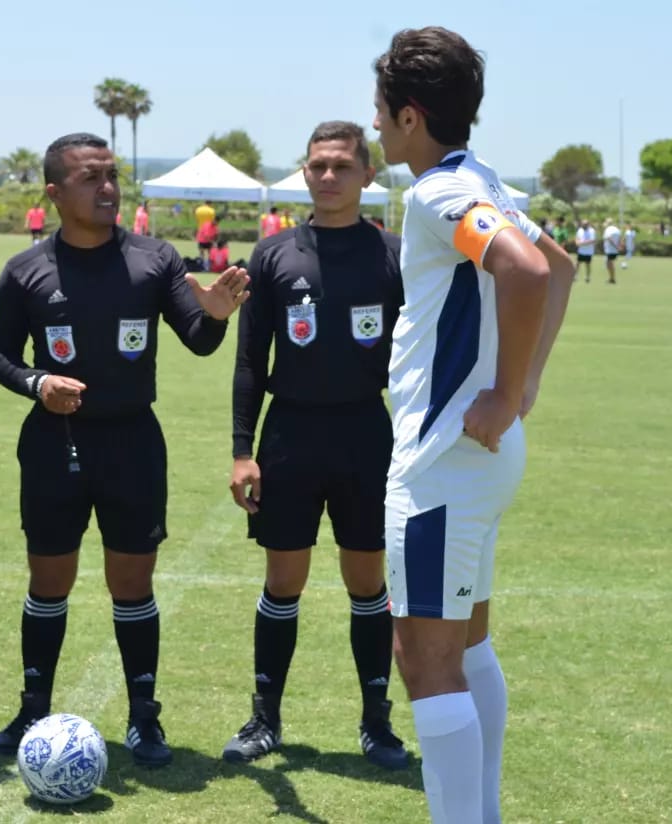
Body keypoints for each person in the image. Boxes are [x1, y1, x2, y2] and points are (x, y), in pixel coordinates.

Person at [0, 132, 250, 766]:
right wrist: (37, 382)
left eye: (112, 176)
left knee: (132, 584)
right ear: (54, 192)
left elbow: (200, 340)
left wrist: (212, 312)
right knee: (49, 581)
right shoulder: (25, 270)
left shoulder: (155, 259)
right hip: (52, 445)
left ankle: (143, 718)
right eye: (89, 178)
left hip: (132, 443)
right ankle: (33, 707)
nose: (107, 188)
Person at [373, 27, 574, 823]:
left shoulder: (436, 192)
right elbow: (556, 266)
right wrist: (519, 390)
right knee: (468, 646)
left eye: (382, 113)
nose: (378, 128)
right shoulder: (481, 176)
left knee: (426, 664)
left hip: (444, 463)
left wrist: (506, 389)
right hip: (477, 457)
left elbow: (526, 270)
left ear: (412, 116)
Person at [224, 121, 407, 769]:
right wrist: (243, 450)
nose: (327, 177)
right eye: (317, 166)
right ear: (304, 172)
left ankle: (376, 724)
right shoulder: (274, 256)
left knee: (368, 582)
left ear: (366, 175)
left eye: (341, 166)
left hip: (365, 433)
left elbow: (417, 358)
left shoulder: (393, 254)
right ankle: (265, 719)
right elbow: (250, 361)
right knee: (283, 581)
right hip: (290, 434)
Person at [602, 217, 621, 284]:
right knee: (610, 263)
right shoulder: (617, 229)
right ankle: (611, 278)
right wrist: (618, 246)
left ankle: (612, 278)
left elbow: (609, 238)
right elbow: (619, 239)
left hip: (610, 250)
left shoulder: (608, 229)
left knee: (609, 264)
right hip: (614, 250)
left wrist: (615, 246)